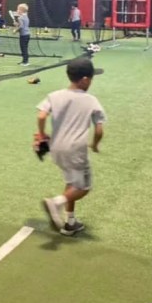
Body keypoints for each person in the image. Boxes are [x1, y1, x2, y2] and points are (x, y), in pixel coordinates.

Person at [37, 57, 106, 236]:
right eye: (91, 78)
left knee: (71, 182)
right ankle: (56, 203)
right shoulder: (91, 100)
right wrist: (95, 145)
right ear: (84, 80)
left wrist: (42, 134)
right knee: (83, 187)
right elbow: (99, 129)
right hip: (75, 149)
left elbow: (42, 116)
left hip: (56, 148)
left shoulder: (54, 95)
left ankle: (70, 222)